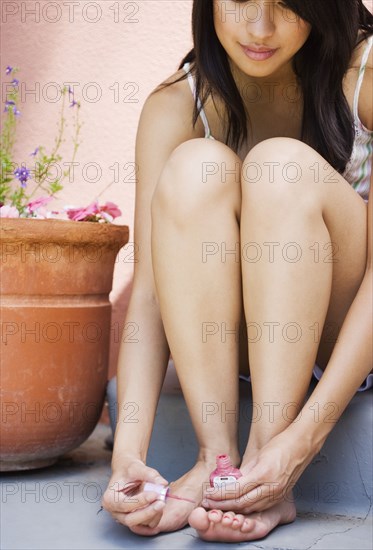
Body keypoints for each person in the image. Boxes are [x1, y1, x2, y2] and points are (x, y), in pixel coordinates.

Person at [102, 0, 373, 542]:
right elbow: (153, 294)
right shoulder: (177, 104)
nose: (260, 28)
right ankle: (218, 461)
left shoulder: (364, 72)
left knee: (278, 166)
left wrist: (298, 447)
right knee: (192, 169)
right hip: (244, 348)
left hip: (345, 334)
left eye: (286, 4)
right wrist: (127, 456)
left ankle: (265, 465)